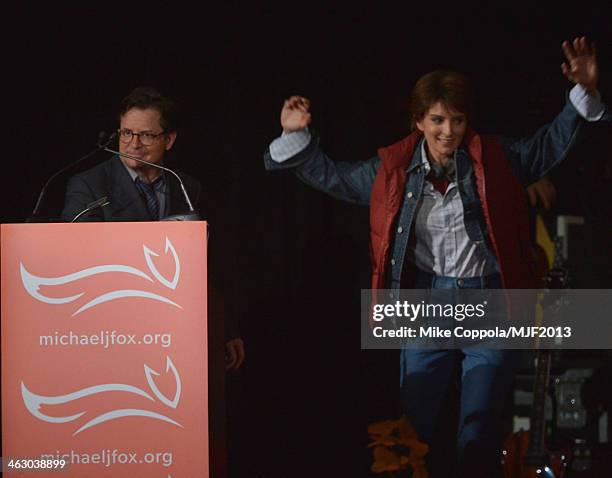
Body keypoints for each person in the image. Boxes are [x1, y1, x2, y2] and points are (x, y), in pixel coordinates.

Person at [263, 37, 607, 476]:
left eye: (457, 120)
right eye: (437, 120)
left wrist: (584, 95)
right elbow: (335, 177)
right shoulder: (392, 170)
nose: (448, 131)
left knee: (478, 427)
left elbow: (548, 145)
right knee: (414, 430)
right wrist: (296, 136)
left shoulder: (495, 161)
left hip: (490, 301)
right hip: (428, 300)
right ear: (419, 121)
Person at [61, 86, 245, 370]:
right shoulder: (88, 185)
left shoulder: (186, 186)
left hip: (177, 332)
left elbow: (209, 265)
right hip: (110, 331)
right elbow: (79, 258)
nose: (133, 143)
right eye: (126, 133)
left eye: (146, 135)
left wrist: (224, 328)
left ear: (168, 139)